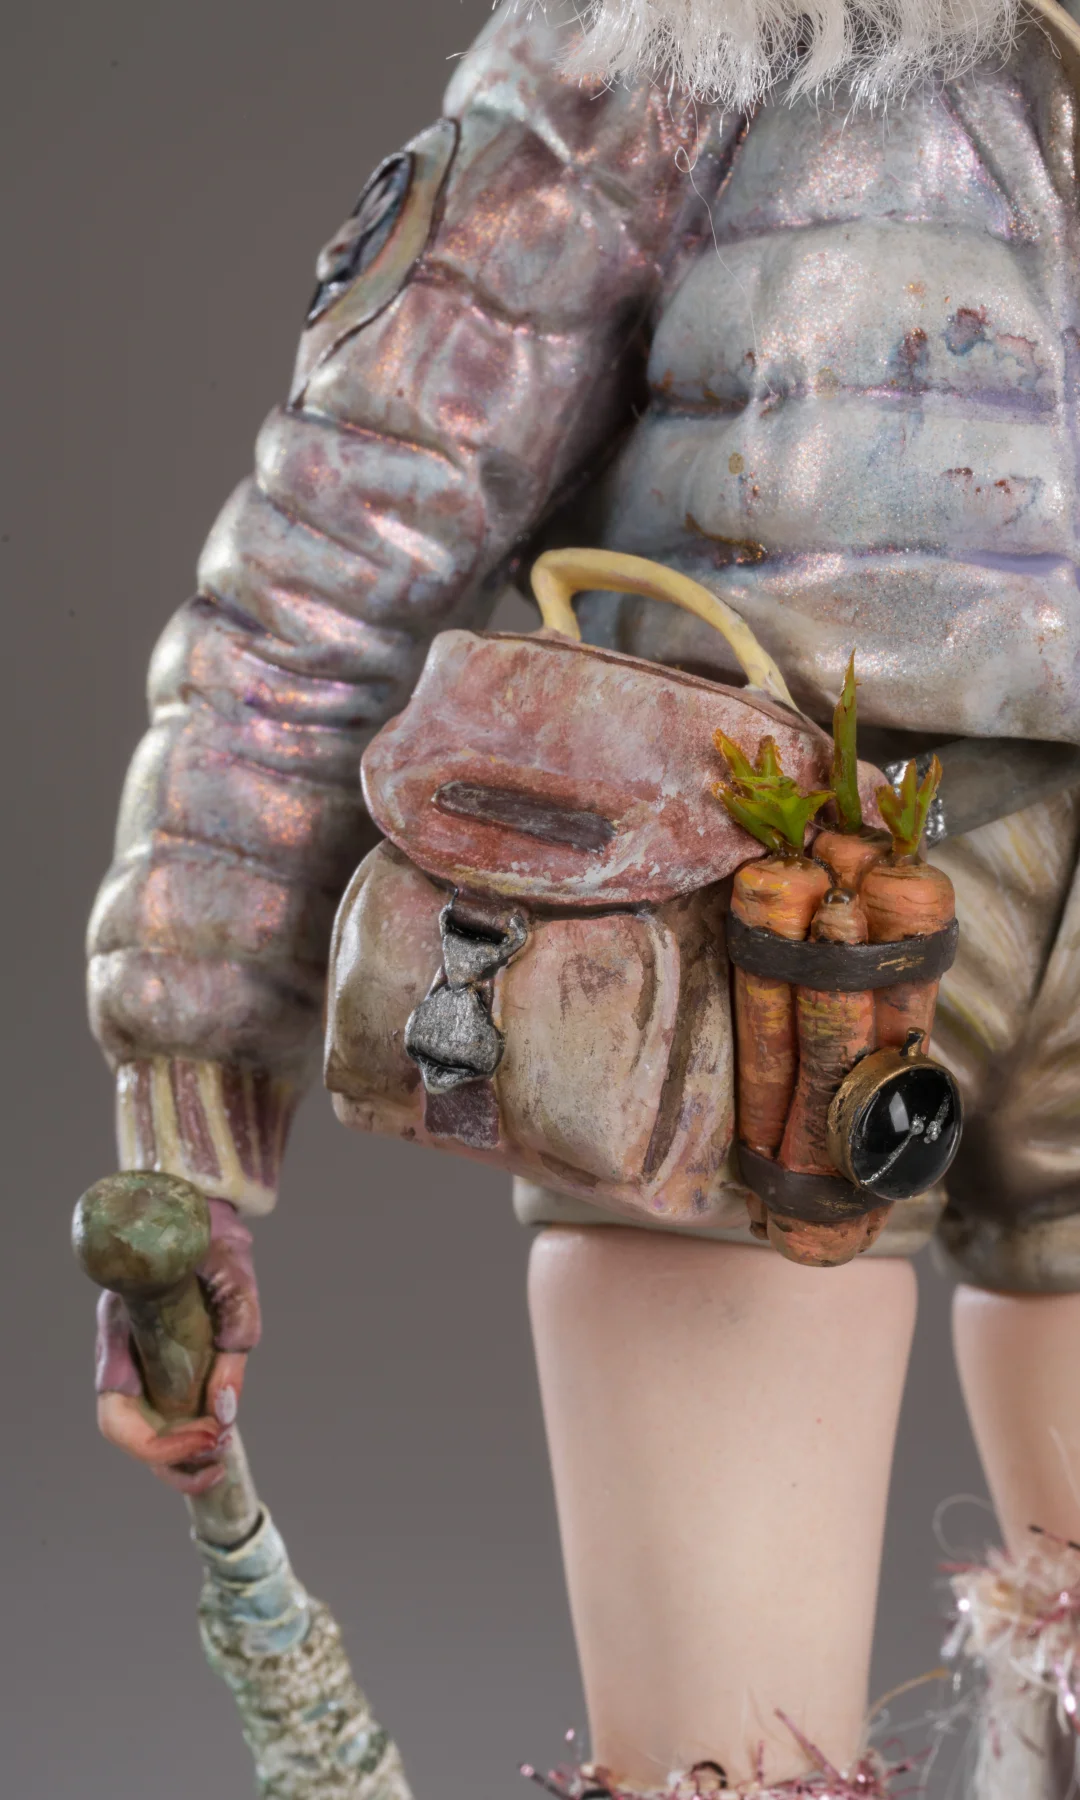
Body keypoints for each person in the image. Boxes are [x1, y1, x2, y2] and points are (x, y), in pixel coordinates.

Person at [85, 1, 1080, 1791]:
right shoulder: (690, 37)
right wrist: (190, 1101)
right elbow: (356, 514)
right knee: (730, 1760)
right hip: (745, 901)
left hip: (793, 918)